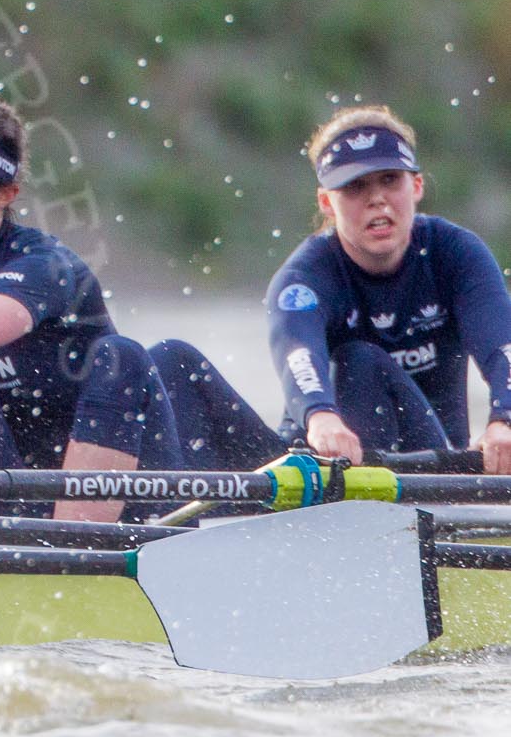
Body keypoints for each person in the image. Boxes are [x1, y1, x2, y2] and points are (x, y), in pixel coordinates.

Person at [152, 105, 511, 472]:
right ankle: (177, 517)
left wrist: (504, 419)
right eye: (356, 187)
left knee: (361, 360)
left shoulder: (457, 254)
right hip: (318, 456)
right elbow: (298, 356)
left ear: (416, 186)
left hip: (425, 466)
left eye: (389, 180)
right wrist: (320, 415)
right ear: (327, 202)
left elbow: (505, 348)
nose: (376, 199)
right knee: (170, 359)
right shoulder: (304, 278)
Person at [0, 93, 179, 521]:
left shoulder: (43, 262)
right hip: (14, 492)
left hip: (117, 499)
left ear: (4, 194)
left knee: (123, 356)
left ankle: (75, 554)